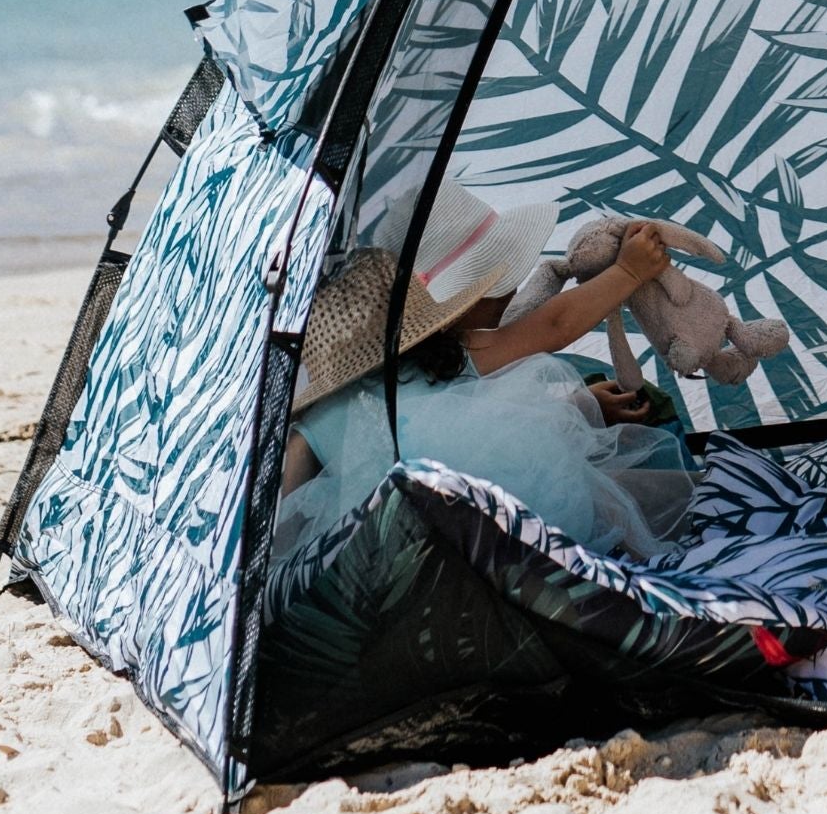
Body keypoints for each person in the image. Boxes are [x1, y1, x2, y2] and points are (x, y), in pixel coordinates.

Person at [276, 181, 696, 561]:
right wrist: (629, 271)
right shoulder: (443, 354)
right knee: (617, 498)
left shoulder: (306, 430)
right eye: (497, 286)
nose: (510, 292)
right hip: (515, 522)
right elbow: (555, 324)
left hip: (409, 558)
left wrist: (579, 406)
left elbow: (283, 530)